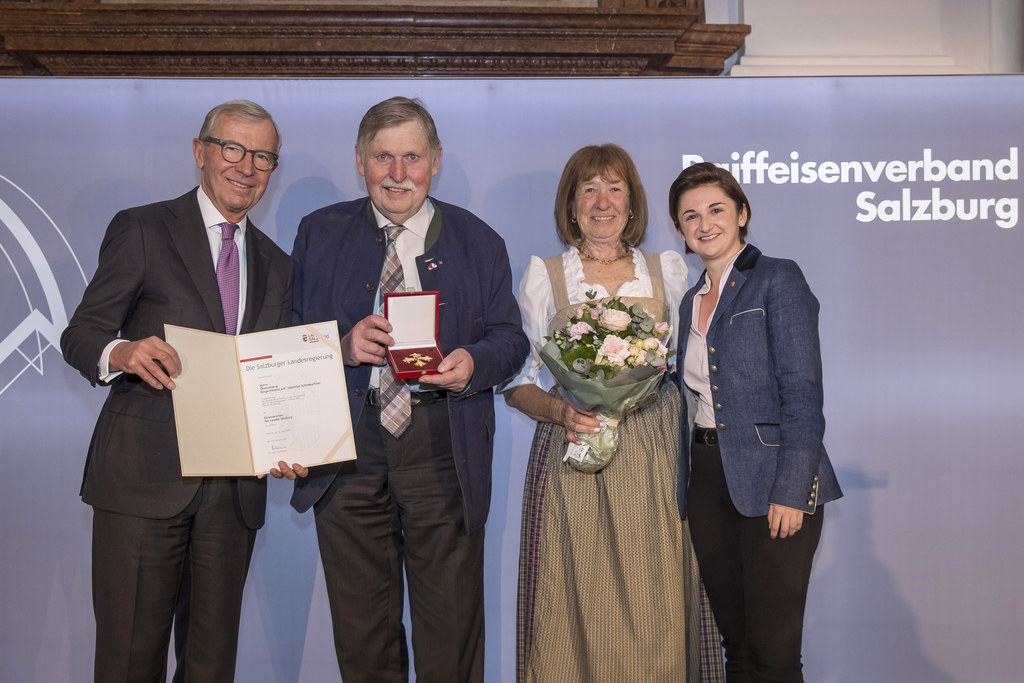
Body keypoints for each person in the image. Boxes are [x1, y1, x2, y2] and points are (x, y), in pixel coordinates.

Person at [272, 96, 529, 683]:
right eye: (382, 157)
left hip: (444, 446)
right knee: (362, 628)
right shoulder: (318, 233)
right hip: (347, 450)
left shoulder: (477, 239)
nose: (397, 173)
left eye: (411, 157)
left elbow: (511, 339)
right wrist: (338, 346)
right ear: (360, 161)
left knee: (452, 624)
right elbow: (283, 334)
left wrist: (473, 362)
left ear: (434, 161)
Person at [60, 99, 293, 682]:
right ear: (200, 152)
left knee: (212, 667)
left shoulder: (278, 264)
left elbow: (276, 376)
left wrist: (290, 438)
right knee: (129, 662)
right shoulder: (142, 228)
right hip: (143, 482)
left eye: (262, 156)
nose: (246, 166)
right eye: (232, 149)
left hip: (233, 493)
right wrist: (123, 352)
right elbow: (81, 334)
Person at [502, 144, 724, 683]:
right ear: (571, 204)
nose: (603, 202)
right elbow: (516, 382)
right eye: (589, 189)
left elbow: (685, 365)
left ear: (633, 202)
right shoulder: (544, 276)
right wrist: (561, 410)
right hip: (574, 447)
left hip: (656, 450)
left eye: (615, 188)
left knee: (660, 589)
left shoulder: (668, 272)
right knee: (578, 591)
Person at [669, 161, 843, 683]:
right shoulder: (688, 301)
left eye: (717, 210)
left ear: (742, 214)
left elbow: (803, 393)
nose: (705, 224)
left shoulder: (778, 278)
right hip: (707, 481)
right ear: (679, 229)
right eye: (690, 215)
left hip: (774, 481)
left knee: (774, 651)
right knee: (737, 645)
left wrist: (792, 489)